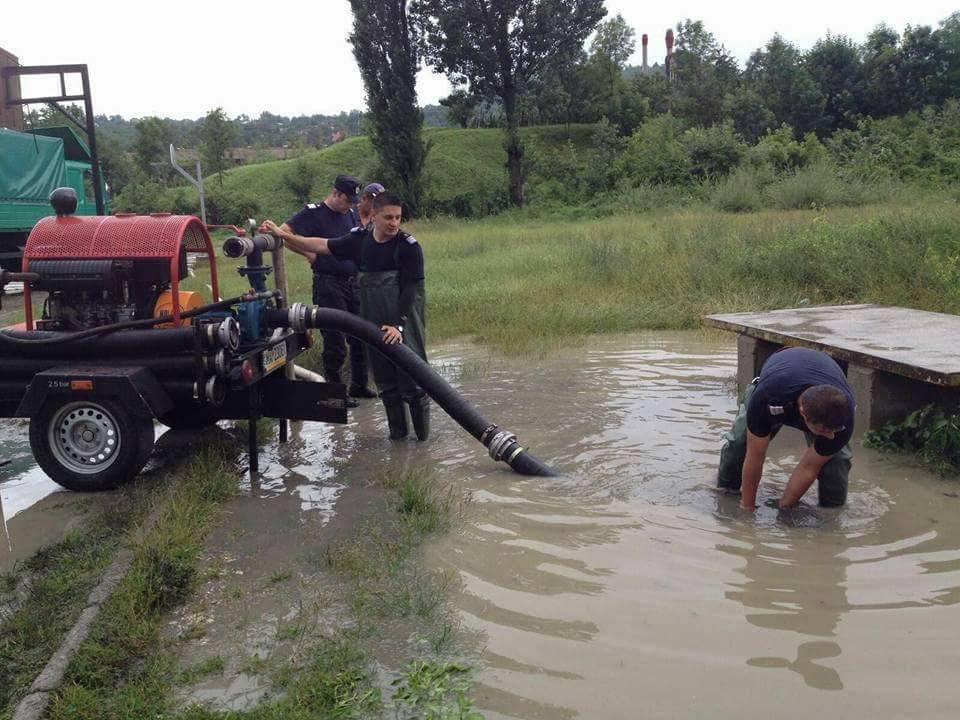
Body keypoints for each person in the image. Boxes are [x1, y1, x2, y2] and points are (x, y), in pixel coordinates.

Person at [260, 193, 430, 441]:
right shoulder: (359, 240)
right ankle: (399, 439)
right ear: (373, 215)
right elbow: (321, 245)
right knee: (386, 382)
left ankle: (423, 439)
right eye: (388, 218)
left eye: (398, 218)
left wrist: (399, 326)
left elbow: (411, 290)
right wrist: (283, 235)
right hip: (372, 319)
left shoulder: (409, 247)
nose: (394, 223)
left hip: (403, 319)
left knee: (412, 378)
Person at [266, 174, 376, 403]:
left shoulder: (351, 213)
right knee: (335, 340)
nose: (349, 207)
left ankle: (359, 385)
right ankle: (335, 393)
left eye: (352, 203)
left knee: (360, 336)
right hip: (329, 283)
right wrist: (309, 254)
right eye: (347, 201)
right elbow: (285, 234)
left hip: (353, 283)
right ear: (335, 194)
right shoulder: (313, 213)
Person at [717, 347, 855, 510]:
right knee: (740, 443)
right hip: (779, 378)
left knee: (836, 460)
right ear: (802, 414)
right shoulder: (767, 398)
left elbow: (809, 466)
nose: (831, 436)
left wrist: (785, 508)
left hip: (819, 377)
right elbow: (755, 456)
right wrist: (747, 508)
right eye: (824, 431)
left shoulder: (843, 417)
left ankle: (831, 513)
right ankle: (725, 492)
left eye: (834, 430)